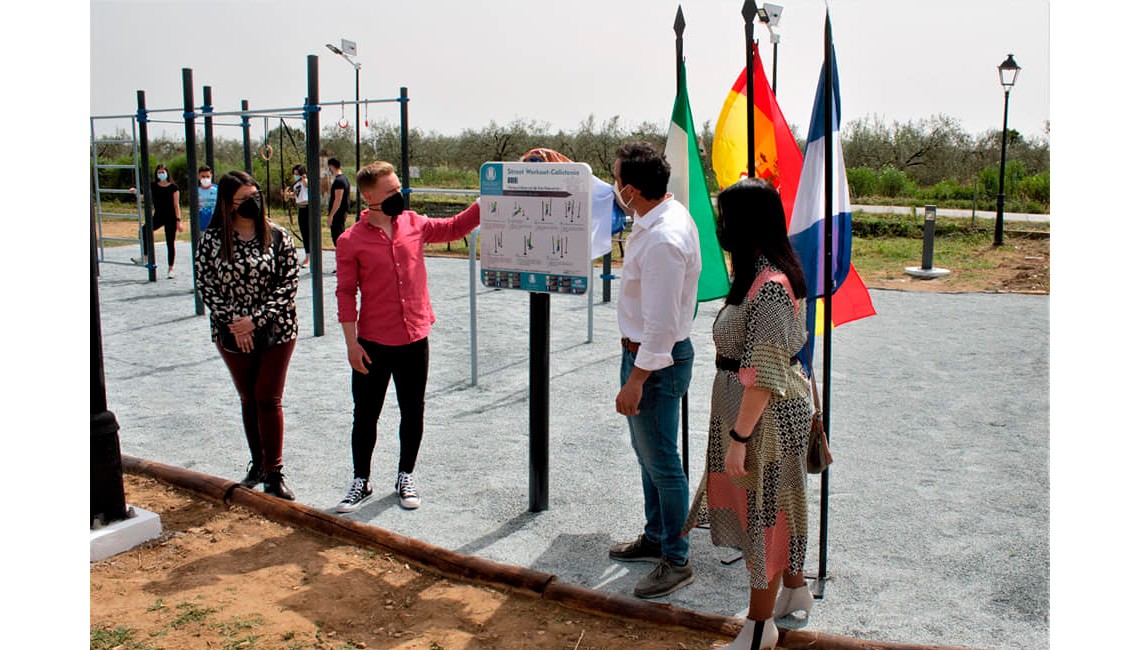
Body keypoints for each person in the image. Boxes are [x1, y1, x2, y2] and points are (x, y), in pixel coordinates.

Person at [682, 177, 814, 650]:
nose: (719, 225)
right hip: (753, 414)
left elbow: (766, 371)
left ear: (743, 223)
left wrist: (739, 438)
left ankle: (759, 630)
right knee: (776, 507)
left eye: (724, 216)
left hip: (764, 421)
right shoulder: (758, 274)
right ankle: (794, 590)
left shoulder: (771, 286)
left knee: (765, 514)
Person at [333, 161, 480, 513]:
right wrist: (351, 344)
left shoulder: (413, 223)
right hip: (372, 343)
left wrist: (487, 201)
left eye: (399, 188)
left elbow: (455, 226)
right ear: (369, 197)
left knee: (413, 411)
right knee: (366, 413)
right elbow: (344, 294)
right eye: (390, 191)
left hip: (414, 338)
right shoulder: (350, 241)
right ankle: (361, 479)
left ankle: (405, 475)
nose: (399, 195)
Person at [608, 142, 702, 599]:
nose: (613, 187)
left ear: (630, 189)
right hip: (648, 355)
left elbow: (662, 326)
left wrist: (636, 380)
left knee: (663, 462)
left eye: (614, 179)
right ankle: (656, 536)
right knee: (649, 457)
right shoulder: (659, 216)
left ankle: (676, 558)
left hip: (654, 362)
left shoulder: (663, 238)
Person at [195, 170, 301, 501]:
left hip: (276, 330)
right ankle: (257, 464)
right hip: (230, 333)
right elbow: (206, 285)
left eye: (255, 197)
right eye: (244, 199)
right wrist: (235, 323)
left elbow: (289, 283)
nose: (252, 204)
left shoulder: (279, 236)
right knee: (249, 399)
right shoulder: (211, 241)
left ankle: (274, 473)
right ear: (228, 205)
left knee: (268, 398)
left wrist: (254, 321)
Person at [150, 163, 183, 278]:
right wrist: (135, 192)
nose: (161, 174)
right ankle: (145, 256)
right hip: (158, 215)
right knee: (144, 230)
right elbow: (145, 197)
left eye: (163, 172)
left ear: (167, 173)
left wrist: (178, 220)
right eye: (159, 172)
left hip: (171, 217)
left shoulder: (174, 187)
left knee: (170, 242)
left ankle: (171, 268)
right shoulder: (153, 186)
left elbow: (176, 205)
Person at [284, 164, 311, 267]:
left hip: (308, 208)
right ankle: (307, 255)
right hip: (301, 209)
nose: (295, 176)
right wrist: (287, 194)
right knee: (304, 233)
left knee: (309, 233)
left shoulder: (305, 181)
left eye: (297, 174)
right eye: (294, 174)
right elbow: (296, 194)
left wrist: (304, 178)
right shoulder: (296, 184)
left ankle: (309, 258)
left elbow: (308, 185)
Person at [326, 157, 351, 247]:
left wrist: (331, 216)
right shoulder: (344, 179)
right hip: (341, 213)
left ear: (331, 167)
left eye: (329, 167)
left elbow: (338, 200)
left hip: (338, 214)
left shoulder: (339, 181)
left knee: (337, 237)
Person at [197, 165, 218, 231]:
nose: (205, 179)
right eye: (203, 176)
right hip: (200, 226)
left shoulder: (217, 189)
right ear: (198, 176)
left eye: (208, 176)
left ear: (211, 176)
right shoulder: (195, 191)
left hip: (216, 224)